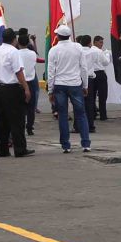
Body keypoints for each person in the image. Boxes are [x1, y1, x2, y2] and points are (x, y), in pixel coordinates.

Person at [47, 25, 92, 153]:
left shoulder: (53, 50)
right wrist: (85, 85)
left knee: (63, 115)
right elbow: (84, 68)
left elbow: (51, 72)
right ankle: (85, 143)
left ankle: (66, 145)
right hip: (75, 84)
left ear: (58, 36)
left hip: (60, 85)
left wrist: (50, 90)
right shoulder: (77, 47)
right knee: (81, 114)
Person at [0, 29, 31, 157]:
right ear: (14, 39)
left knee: (2, 121)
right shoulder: (14, 52)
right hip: (12, 88)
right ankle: (20, 149)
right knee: (17, 120)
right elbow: (18, 71)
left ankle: (3, 149)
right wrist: (26, 88)